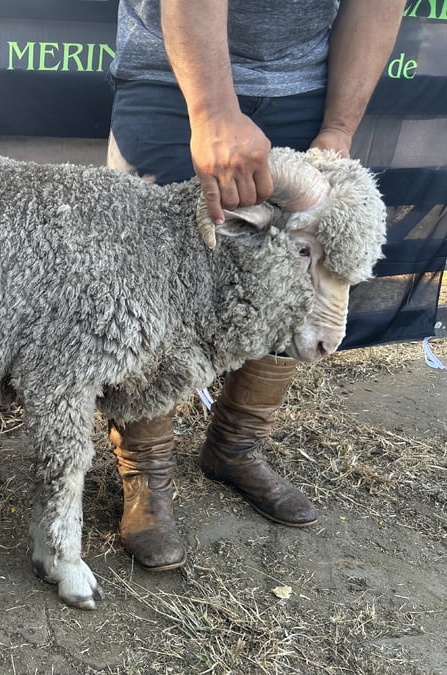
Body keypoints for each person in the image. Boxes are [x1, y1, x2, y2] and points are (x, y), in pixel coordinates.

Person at [106, 0, 405, 571]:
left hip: (305, 82)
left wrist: (338, 128)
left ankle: (234, 447)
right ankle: (145, 467)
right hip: (174, 74)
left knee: (291, 266)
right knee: (147, 288)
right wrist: (215, 111)